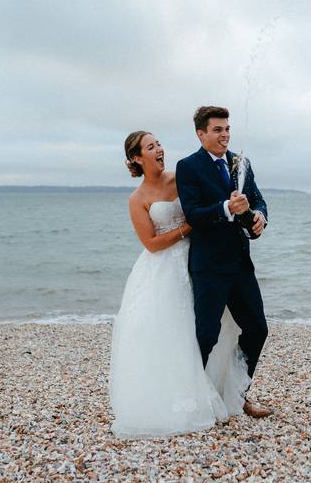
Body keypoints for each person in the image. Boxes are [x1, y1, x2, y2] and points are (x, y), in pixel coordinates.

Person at [109, 131, 251, 438]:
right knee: (175, 332)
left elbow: (209, 206)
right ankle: (180, 397)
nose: (159, 149)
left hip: (201, 259)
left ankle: (225, 391)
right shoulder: (137, 199)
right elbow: (151, 243)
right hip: (164, 268)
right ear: (137, 158)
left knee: (213, 326)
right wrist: (188, 227)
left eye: (159, 143)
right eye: (150, 147)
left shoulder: (180, 177)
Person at [176, 106, 272, 418]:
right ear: (201, 133)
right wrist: (226, 207)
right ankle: (192, 400)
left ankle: (237, 393)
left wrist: (260, 217)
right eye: (217, 130)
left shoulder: (241, 162)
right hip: (208, 265)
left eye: (227, 128)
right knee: (206, 335)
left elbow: (257, 199)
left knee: (257, 329)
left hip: (240, 264)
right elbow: (193, 214)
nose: (225, 135)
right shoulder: (188, 167)